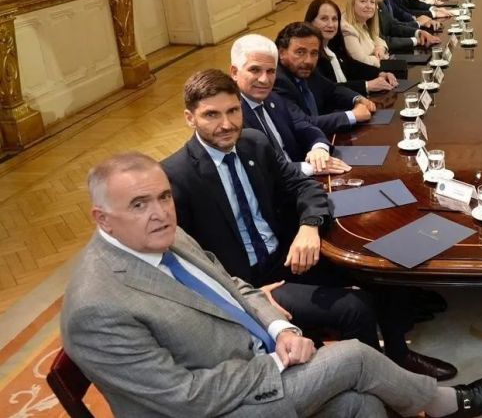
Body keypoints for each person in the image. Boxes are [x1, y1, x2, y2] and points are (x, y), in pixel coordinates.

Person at [63, 151, 482, 417]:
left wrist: (282, 330)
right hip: (218, 407)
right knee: (354, 357)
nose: (160, 212)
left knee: (363, 406)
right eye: (139, 204)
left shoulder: (167, 235)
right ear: (101, 218)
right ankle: (442, 403)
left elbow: (232, 285)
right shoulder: (96, 308)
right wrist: (276, 364)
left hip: (257, 356)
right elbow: (185, 399)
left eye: (163, 197)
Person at [163, 70, 461, 381]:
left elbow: (303, 187)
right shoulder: (175, 176)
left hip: (285, 256)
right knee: (354, 308)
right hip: (250, 284)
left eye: (233, 111)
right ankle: (384, 385)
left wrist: (308, 226)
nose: (227, 124)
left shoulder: (253, 143)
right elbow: (184, 261)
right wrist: (244, 297)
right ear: (189, 117)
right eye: (212, 115)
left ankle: (399, 355)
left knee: (382, 265)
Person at [229, 34, 351, 176]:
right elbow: (260, 170)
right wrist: (311, 168)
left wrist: (319, 149)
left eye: (270, 71)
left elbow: (304, 127)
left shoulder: (273, 99)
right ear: (234, 72)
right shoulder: (230, 116)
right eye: (255, 70)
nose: (264, 80)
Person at [272, 22, 376, 136]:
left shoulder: (306, 70)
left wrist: (357, 98)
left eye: (314, 53)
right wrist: (352, 115)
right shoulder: (277, 81)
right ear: (281, 53)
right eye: (300, 52)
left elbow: (333, 90)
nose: (308, 60)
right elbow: (303, 123)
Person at [304, 0, 397, 95]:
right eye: (324, 19)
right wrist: (367, 85)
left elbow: (351, 66)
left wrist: (379, 73)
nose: (331, 24)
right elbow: (328, 88)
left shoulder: (332, 47)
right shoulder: (311, 55)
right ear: (311, 22)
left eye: (335, 19)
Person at [341, 0, 388, 68]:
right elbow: (361, 60)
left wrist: (380, 48)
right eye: (363, 1)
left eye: (372, 2)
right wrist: (380, 60)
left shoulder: (363, 21)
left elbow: (379, 39)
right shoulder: (347, 28)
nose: (369, 6)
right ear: (352, 4)